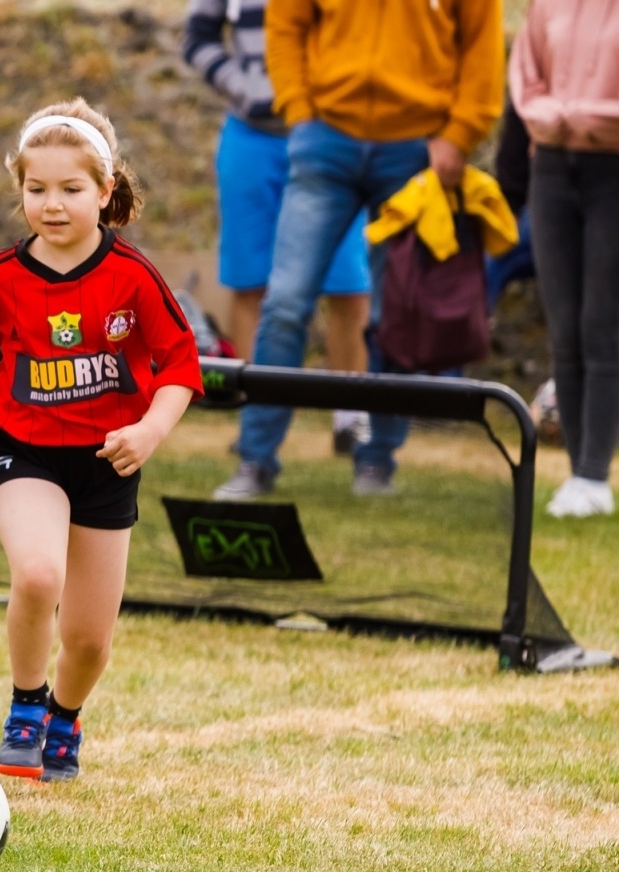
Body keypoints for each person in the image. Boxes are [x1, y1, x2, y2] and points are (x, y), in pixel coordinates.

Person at [0, 100, 202, 783]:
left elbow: (180, 366)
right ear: (19, 189)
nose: (51, 205)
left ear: (106, 190)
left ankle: (65, 712)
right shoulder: (1, 276)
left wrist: (148, 430)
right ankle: (25, 705)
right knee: (36, 573)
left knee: (88, 640)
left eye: (70, 189)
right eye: (36, 190)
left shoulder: (134, 277)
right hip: (21, 449)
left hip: (105, 461)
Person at [212, 0, 503, 500]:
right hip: (325, 143)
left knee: (395, 312)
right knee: (284, 304)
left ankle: (377, 463)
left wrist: (460, 135)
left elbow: (482, 47)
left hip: (414, 152)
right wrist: (300, 112)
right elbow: (286, 23)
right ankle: (255, 460)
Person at [182, 0, 371, 454]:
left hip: (333, 136)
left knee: (348, 285)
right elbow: (197, 38)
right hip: (253, 138)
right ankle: (256, 417)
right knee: (252, 285)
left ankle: (351, 419)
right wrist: (243, 86)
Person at [511, 0, 619, 519]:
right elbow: (526, 73)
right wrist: (551, 116)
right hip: (551, 167)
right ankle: (578, 473)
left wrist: (585, 114)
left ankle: (595, 475)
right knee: (565, 331)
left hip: (613, 170)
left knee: (603, 326)